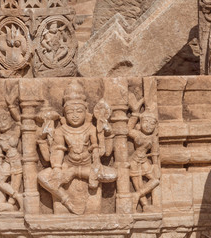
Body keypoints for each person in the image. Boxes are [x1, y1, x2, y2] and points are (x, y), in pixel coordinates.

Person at [37, 80, 117, 214]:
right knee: (41, 177)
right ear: (64, 113)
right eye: (70, 112)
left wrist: (106, 134)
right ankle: (65, 198)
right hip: (66, 166)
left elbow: (99, 151)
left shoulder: (91, 128)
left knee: (113, 174)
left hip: (88, 167)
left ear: (86, 111)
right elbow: (58, 152)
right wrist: (57, 169)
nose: (74, 115)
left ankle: (76, 172)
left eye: (79, 111)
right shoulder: (61, 131)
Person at [128, 107, 160, 212]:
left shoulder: (153, 138)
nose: (148, 126)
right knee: (138, 184)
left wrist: (155, 165)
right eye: (145, 122)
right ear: (140, 123)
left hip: (144, 160)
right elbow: (128, 130)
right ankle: (145, 205)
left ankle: (136, 195)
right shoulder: (137, 134)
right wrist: (135, 115)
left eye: (152, 123)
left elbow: (154, 153)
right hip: (134, 160)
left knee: (155, 180)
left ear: (155, 126)